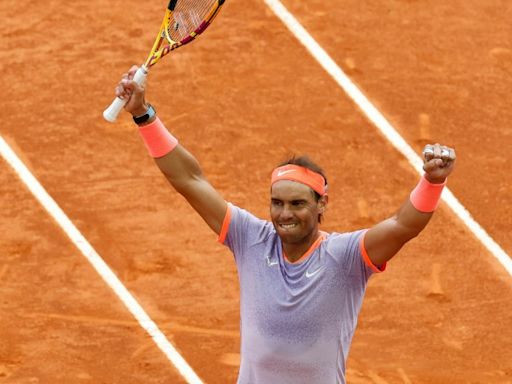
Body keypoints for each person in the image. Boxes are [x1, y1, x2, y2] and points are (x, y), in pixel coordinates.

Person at [114, 65, 456, 384]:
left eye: (297, 204)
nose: (284, 214)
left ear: (322, 204)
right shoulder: (250, 238)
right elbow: (190, 179)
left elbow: (402, 225)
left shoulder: (346, 257)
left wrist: (432, 182)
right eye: (277, 203)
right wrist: (144, 115)